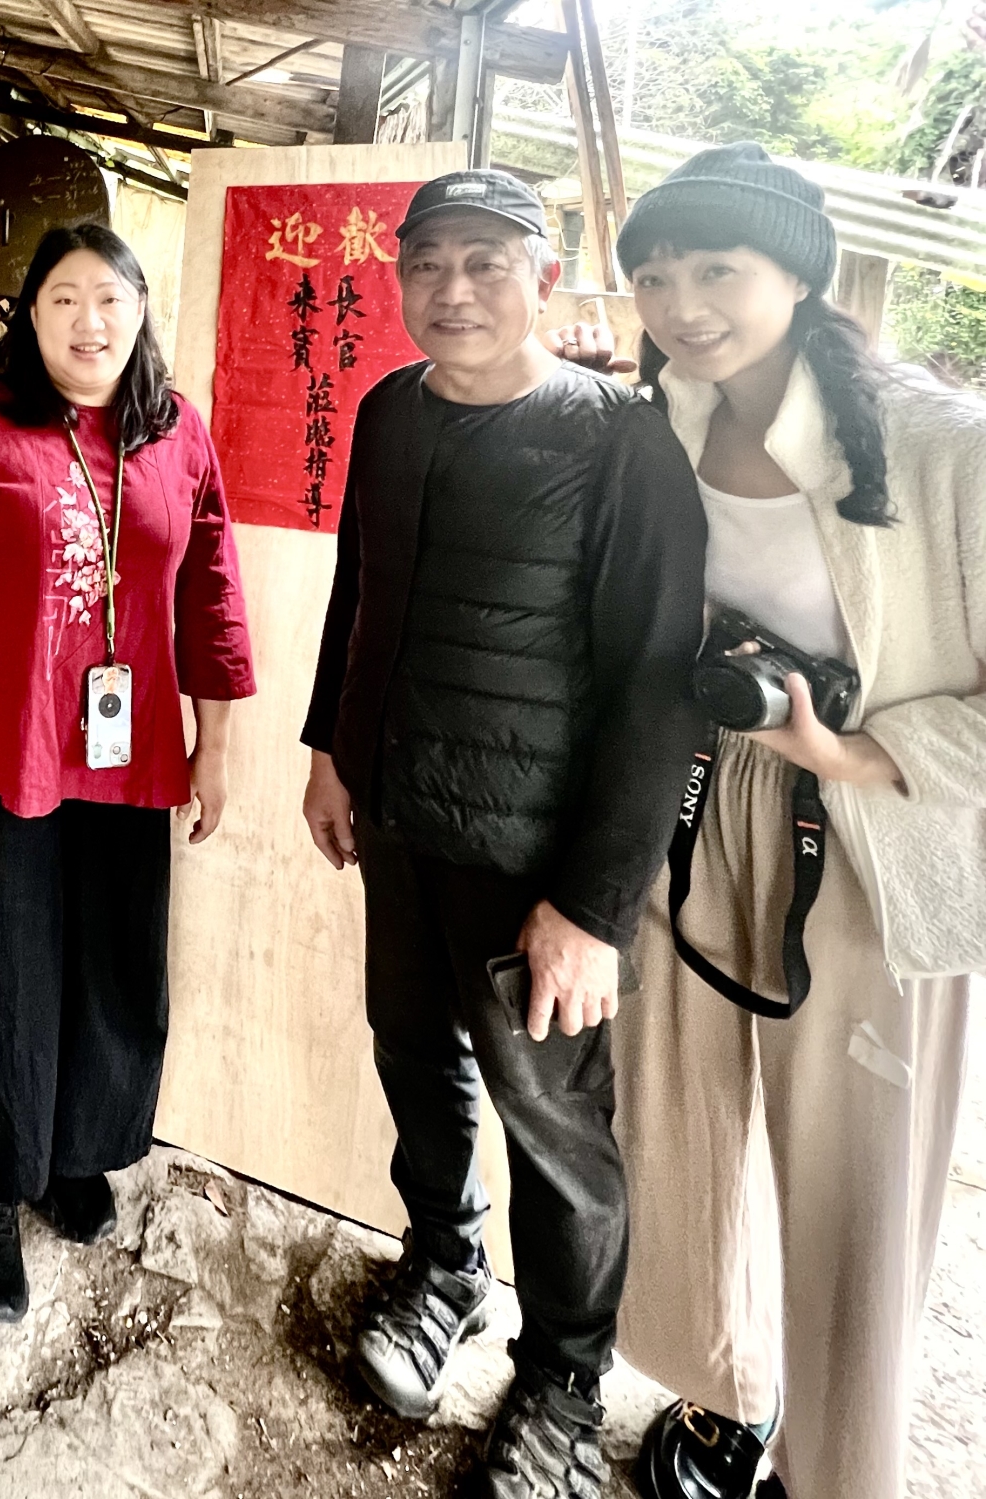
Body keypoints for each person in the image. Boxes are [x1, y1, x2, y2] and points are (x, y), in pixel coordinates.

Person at [299, 171, 708, 1499]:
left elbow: (658, 686)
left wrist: (592, 905)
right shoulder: (388, 411)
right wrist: (328, 750)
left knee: (555, 1127)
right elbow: (359, 588)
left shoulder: (622, 442)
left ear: (544, 273)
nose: (453, 288)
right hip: (399, 818)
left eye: (486, 261)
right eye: (428, 262)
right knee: (413, 1056)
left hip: (532, 861)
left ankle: (566, 1380)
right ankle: (445, 1263)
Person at [591, 144, 981, 1499]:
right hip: (702, 804)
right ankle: (724, 1391)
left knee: (853, 1181)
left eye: (717, 268)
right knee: (682, 1119)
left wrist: (857, 749)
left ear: (800, 274)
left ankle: (835, 1467)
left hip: (876, 835)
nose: (681, 303)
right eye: (654, 275)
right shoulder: (666, 416)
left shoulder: (944, 444)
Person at [0, 223, 255, 1323]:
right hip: (7, 754)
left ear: (140, 310)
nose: (89, 321)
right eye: (63, 299)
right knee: (7, 967)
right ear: (30, 317)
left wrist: (214, 745)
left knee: (109, 964)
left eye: (109, 298)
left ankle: (73, 1150)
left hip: (130, 755)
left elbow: (212, 594)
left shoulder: (178, 430)